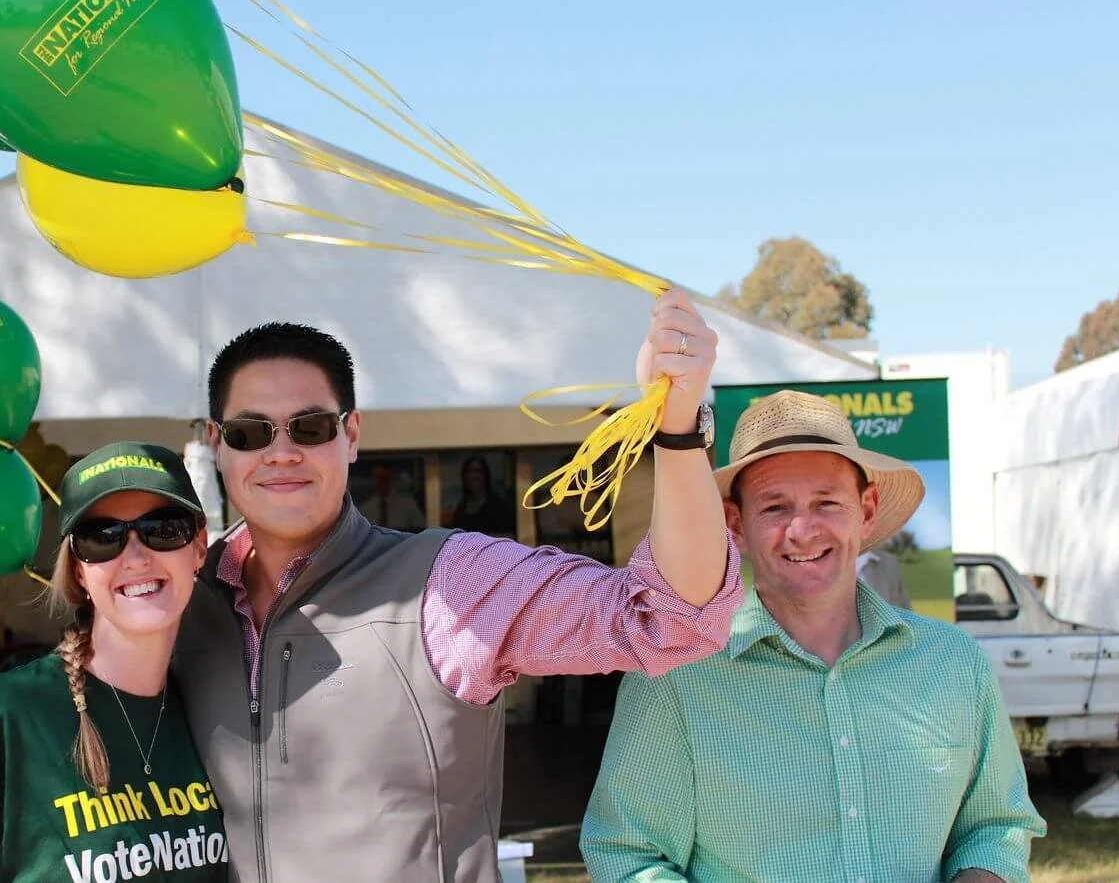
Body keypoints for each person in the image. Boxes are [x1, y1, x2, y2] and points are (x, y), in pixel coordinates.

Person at [172, 288, 743, 882]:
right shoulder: (182, 604)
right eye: (249, 432)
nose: (281, 452)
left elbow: (672, 618)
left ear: (352, 434)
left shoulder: (448, 582)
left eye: (310, 426)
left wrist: (677, 429)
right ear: (217, 444)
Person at [580, 389, 1045, 882]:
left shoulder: (953, 664)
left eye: (826, 502)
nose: (802, 530)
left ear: (865, 512)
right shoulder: (675, 677)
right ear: (736, 526)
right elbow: (628, 856)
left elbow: (996, 827)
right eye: (776, 508)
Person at [0, 442, 229, 883]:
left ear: (199, 547)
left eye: (163, 528)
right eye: (102, 537)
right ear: (78, 570)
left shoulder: (214, 704)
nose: (135, 556)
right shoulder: (8, 713)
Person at [446, 454, 516, 536]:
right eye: (469, 471)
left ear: (485, 475)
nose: (472, 476)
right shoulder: (462, 507)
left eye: (477, 471)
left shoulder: (498, 505)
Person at [355, 462, 426, 530]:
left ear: (392, 479)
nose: (382, 483)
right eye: (379, 479)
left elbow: (421, 528)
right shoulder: (365, 508)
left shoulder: (408, 504)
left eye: (386, 479)